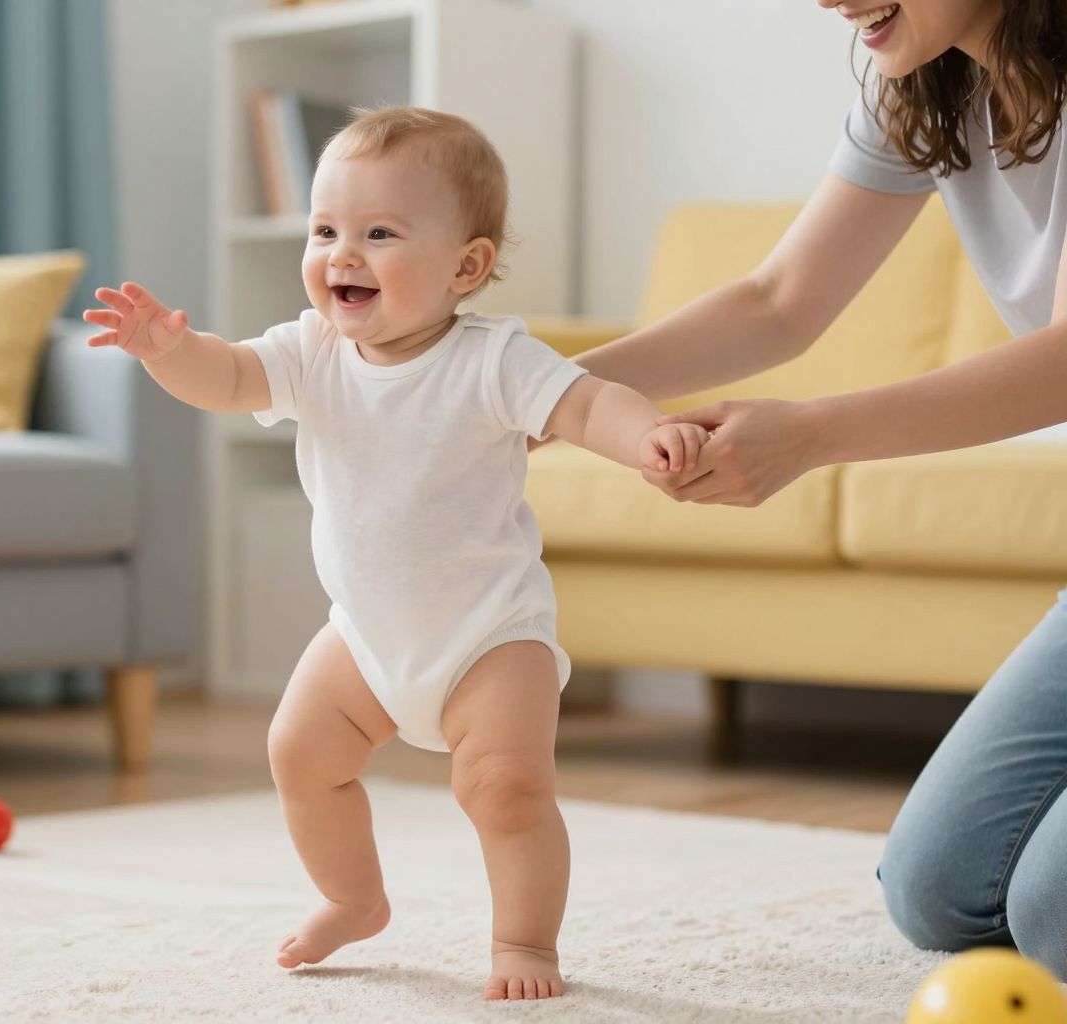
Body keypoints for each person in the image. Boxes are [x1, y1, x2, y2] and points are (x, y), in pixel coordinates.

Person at [82, 106, 708, 1001]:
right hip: (365, 639)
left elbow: (589, 405)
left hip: (491, 637)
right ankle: (354, 897)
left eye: (379, 234)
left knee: (506, 791)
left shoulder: (495, 359)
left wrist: (648, 435)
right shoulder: (311, 350)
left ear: (467, 265)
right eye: (326, 229)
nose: (343, 254)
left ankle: (526, 943)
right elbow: (225, 379)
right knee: (298, 753)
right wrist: (166, 350)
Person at [568, 0, 1067, 980]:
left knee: (1050, 916)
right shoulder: (925, 87)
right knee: (935, 891)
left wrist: (809, 434)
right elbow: (779, 301)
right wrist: (554, 395)